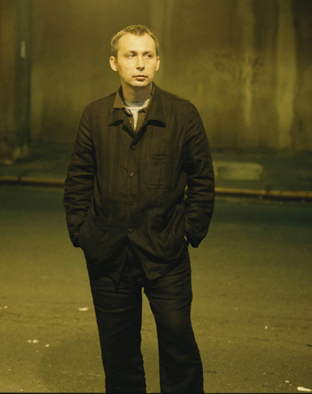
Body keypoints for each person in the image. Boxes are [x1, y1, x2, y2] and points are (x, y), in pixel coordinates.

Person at [63, 24, 215, 393]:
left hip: (166, 252)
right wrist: (82, 232)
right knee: (119, 354)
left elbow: (202, 180)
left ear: (158, 62)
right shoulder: (95, 115)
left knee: (179, 345)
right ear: (114, 62)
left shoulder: (182, 114)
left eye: (147, 55)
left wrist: (187, 232)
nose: (140, 63)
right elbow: (78, 179)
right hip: (109, 254)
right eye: (131, 55)